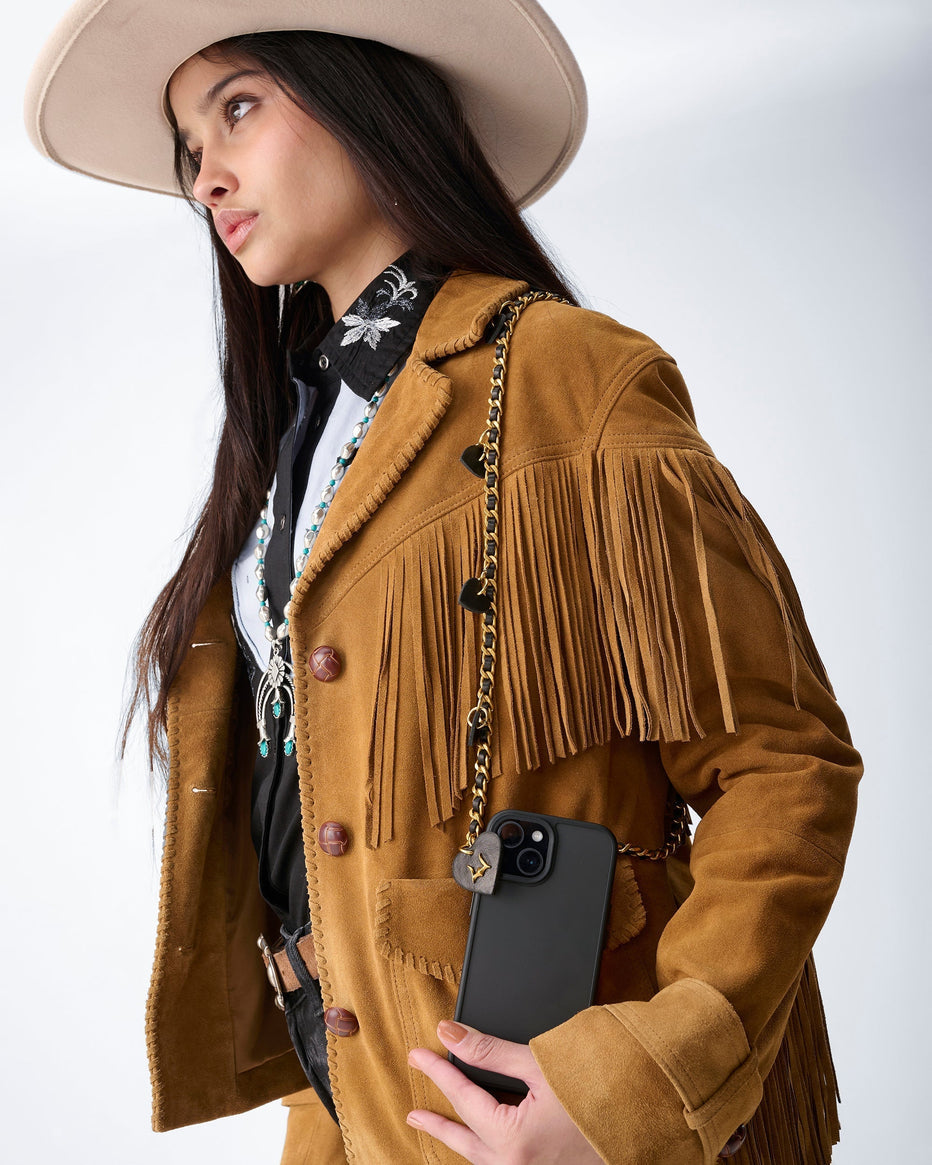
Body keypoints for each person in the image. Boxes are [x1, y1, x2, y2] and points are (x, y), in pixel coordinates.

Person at [25, 2, 862, 1163]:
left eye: (238, 107)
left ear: (364, 95)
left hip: (554, 1121)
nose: (206, 176)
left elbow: (779, 761)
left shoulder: (570, 379)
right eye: (189, 147)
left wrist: (632, 1080)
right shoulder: (290, 441)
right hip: (363, 1118)